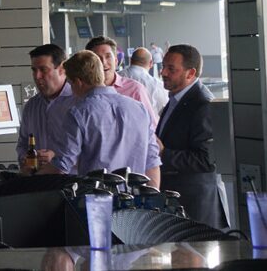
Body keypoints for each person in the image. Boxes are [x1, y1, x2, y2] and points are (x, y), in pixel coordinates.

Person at [37, 50, 161, 187]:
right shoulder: (139, 109)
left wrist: (31, 181)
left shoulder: (78, 113)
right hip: (134, 199)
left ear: (78, 82)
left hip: (97, 199)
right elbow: (152, 161)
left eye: (71, 84)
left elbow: (62, 165)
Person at [157, 44, 229, 228]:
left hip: (196, 205)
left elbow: (206, 160)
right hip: (179, 201)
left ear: (190, 73)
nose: (163, 72)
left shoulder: (202, 104)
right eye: (163, 66)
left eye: (171, 69)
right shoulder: (176, 99)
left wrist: (163, 153)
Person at [16, 44, 76, 170]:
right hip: (38, 182)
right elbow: (22, 144)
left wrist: (58, 157)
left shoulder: (79, 103)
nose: (37, 76)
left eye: (43, 70)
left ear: (62, 69)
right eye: (34, 70)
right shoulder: (31, 106)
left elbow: (92, 149)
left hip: (71, 183)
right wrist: (27, 158)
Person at [85, 36, 158, 127]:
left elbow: (151, 126)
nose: (103, 62)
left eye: (108, 57)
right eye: (98, 58)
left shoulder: (134, 89)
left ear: (116, 61)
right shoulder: (81, 90)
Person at [119, 47, 168, 114]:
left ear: (130, 60)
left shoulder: (116, 77)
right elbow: (163, 110)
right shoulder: (158, 84)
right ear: (151, 63)